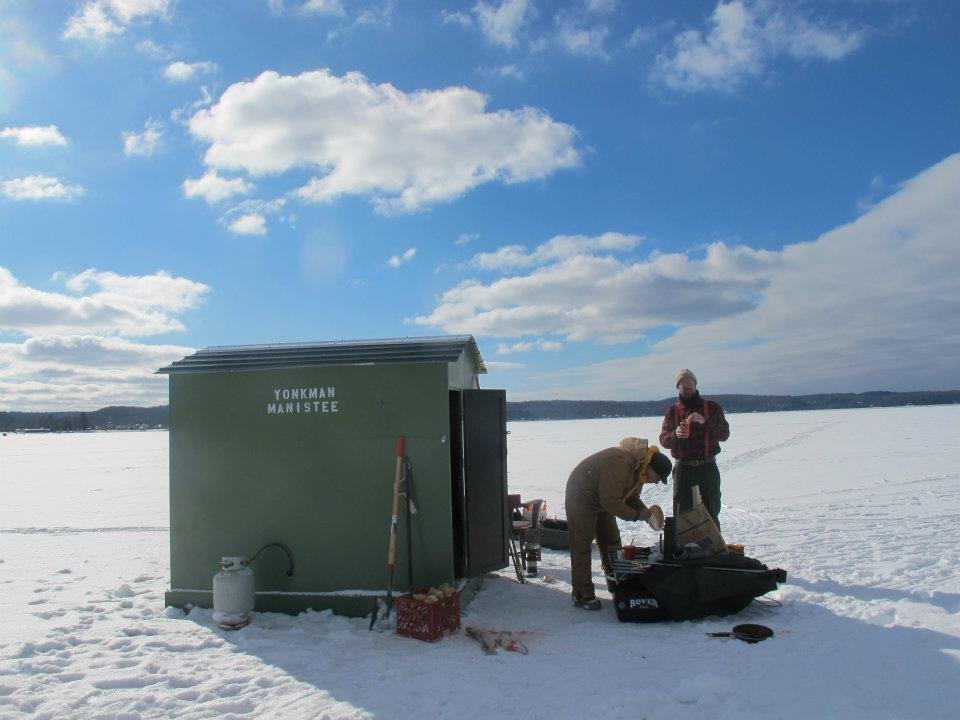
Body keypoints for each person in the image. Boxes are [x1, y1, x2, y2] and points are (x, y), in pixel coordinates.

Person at [564, 437, 672, 610]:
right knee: (581, 543)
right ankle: (582, 593)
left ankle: (617, 584)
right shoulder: (621, 463)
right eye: (658, 477)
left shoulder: (640, 470)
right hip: (582, 495)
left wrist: (646, 513)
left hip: (603, 498)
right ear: (651, 467)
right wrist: (637, 515)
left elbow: (631, 498)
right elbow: (610, 502)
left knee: (612, 542)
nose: (657, 481)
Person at [659, 369, 730, 529]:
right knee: (681, 512)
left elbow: (724, 434)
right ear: (678, 387)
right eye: (683, 385)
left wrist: (705, 422)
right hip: (683, 468)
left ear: (696, 385)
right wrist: (675, 434)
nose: (687, 387)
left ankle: (713, 549)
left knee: (711, 510)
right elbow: (664, 440)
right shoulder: (672, 412)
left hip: (707, 467)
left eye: (690, 383)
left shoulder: (711, 408)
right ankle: (683, 550)